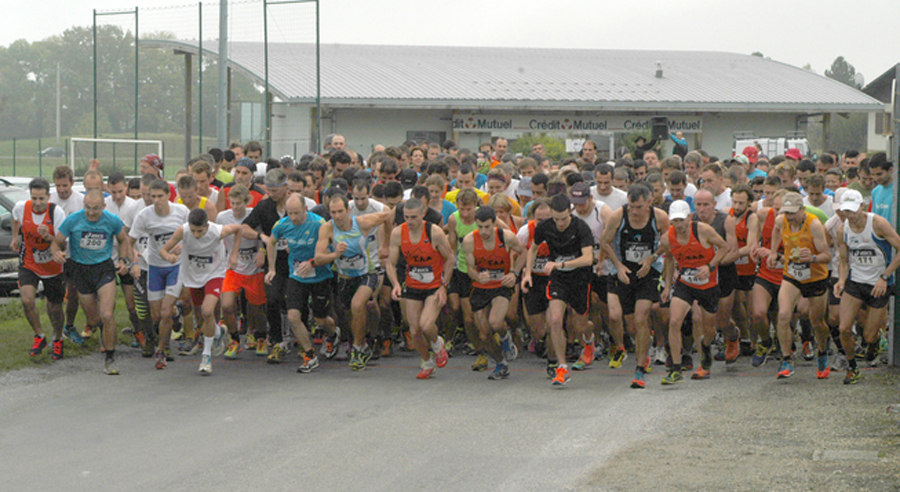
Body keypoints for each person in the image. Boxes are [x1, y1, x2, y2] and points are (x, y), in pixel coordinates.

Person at [51, 190, 132, 375]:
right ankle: (105, 332)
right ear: (83, 206)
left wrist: (123, 260)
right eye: (88, 208)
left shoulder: (111, 220)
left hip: (103, 269)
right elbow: (56, 242)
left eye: (96, 209)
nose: (91, 213)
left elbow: (123, 239)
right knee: (94, 320)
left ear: (103, 206)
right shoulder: (73, 220)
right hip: (81, 271)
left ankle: (110, 358)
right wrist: (56, 252)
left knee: (107, 314)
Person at [522, 194, 595, 387]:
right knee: (554, 319)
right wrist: (528, 273)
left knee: (580, 326)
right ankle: (562, 367)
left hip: (580, 278)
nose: (560, 223)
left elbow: (588, 259)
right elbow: (533, 248)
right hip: (558, 279)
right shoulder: (545, 227)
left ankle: (589, 340)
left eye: (563, 219)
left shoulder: (580, 227)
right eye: (556, 219)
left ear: (570, 212)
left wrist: (560, 263)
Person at [314, 194, 393, 371]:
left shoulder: (362, 222)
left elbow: (388, 215)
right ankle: (363, 342)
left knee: (358, 305)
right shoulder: (327, 229)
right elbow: (318, 258)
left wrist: (385, 244)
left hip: (367, 273)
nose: (337, 216)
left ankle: (358, 348)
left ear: (348, 210)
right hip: (345, 278)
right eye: (333, 212)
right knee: (350, 313)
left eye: (341, 211)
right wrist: (335, 255)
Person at [600, 184, 669, 385]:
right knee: (632, 325)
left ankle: (639, 368)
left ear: (649, 202)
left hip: (649, 272)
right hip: (625, 272)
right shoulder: (617, 216)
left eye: (639, 207)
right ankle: (643, 346)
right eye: (631, 206)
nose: (635, 211)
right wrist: (618, 266)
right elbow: (605, 242)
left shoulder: (660, 217)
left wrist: (652, 258)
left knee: (641, 317)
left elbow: (668, 243)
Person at [160, 209, 241, 374]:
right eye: (193, 230)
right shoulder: (184, 230)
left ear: (207, 226)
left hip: (214, 273)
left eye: (200, 231)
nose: (196, 234)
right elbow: (163, 250)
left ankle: (206, 356)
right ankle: (219, 331)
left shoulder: (218, 231)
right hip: (193, 274)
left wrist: (234, 254)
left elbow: (239, 229)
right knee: (201, 316)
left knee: (207, 311)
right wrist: (169, 257)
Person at [658, 200, 730, 384]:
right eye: (675, 221)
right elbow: (669, 259)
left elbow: (724, 247)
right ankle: (675, 368)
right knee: (674, 321)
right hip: (685, 284)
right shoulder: (667, 237)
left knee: (709, 330)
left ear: (689, 217)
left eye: (682, 220)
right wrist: (667, 286)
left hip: (708, 286)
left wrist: (710, 266)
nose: (679, 225)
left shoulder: (703, 230)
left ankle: (705, 351)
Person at [834, 190, 900, 384]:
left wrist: (885, 276)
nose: (850, 216)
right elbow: (844, 261)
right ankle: (852, 367)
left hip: (879, 284)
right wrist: (841, 280)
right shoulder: (842, 230)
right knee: (844, 328)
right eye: (846, 211)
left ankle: (875, 341)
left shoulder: (878, 223)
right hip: (856, 282)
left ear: (862, 207)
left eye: (853, 211)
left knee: (869, 336)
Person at [765, 192, 832, 380]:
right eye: (787, 212)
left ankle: (822, 352)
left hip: (815, 276)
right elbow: (776, 231)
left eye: (793, 213)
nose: (790, 217)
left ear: (802, 210)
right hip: (792, 274)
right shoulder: (781, 220)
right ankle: (787, 359)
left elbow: (827, 256)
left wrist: (812, 258)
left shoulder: (814, 225)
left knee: (817, 321)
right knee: (784, 315)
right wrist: (772, 252)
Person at [385, 198, 453, 379]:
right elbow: (390, 263)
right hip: (413, 284)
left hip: (434, 286)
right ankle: (427, 362)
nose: (410, 221)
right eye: (406, 217)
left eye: (414, 217)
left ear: (423, 214)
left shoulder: (434, 232)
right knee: (414, 330)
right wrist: (396, 284)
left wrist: (444, 287)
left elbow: (450, 259)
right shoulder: (398, 233)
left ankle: (438, 344)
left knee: (426, 324)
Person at [129, 179, 191, 370]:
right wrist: (133, 262)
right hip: (154, 266)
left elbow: (196, 234)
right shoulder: (144, 216)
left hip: (176, 267)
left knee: (165, 313)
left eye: (159, 196)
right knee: (157, 315)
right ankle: (176, 312)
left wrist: (185, 245)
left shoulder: (181, 212)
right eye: (151, 196)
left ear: (168, 196)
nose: (155, 200)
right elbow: (128, 242)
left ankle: (161, 350)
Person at [268, 194, 334, 373]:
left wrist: (313, 261)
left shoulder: (319, 223)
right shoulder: (282, 224)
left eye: (297, 213)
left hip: (320, 276)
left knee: (320, 319)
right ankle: (310, 354)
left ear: (306, 209)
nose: (294, 218)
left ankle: (334, 334)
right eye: (290, 213)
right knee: (293, 317)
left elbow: (330, 248)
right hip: (296, 276)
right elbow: (271, 242)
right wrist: (272, 268)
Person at [463, 206, 527, 380]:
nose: (484, 231)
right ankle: (501, 363)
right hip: (481, 287)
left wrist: (514, 274)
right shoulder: (470, 241)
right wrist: (477, 275)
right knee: (484, 334)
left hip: (501, 285)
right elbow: (469, 268)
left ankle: (506, 338)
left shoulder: (506, 237)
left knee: (495, 322)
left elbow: (523, 253)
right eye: (480, 227)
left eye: (487, 227)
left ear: (494, 224)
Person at [11, 178, 68, 359]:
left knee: (55, 307)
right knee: (27, 300)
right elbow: (14, 217)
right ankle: (39, 336)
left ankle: (58, 339)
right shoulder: (21, 207)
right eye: (34, 198)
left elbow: (63, 244)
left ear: (48, 197)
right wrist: (15, 237)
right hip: (29, 262)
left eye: (41, 199)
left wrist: (49, 237)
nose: (37, 203)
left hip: (53, 266)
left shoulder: (56, 212)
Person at [241, 169, 292, 360]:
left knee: (293, 302)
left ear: (286, 187)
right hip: (273, 262)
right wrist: (261, 237)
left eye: (276, 190)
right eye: (269, 190)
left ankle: (294, 338)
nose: (272, 194)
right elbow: (244, 227)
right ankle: (277, 341)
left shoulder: (297, 204)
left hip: (294, 260)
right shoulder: (264, 207)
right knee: (272, 299)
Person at [216, 185, 267, 360]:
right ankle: (234, 339)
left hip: (254, 267)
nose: (235, 207)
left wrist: (262, 252)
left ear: (247, 202)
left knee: (255, 308)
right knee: (227, 305)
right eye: (232, 203)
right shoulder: (222, 217)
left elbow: (264, 236)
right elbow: (217, 240)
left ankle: (260, 336)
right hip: (233, 268)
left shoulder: (254, 214)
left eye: (239, 203)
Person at [105, 172, 144, 347]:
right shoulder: (104, 206)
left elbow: (134, 237)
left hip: (129, 257)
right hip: (109, 258)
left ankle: (139, 331)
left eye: (121, 191)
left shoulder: (135, 206)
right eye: (113, 192)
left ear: (126, 187)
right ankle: (106, 337)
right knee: (108, 304)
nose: (118, 196)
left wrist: (129, 260)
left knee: (131, 304)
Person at [49, 166, 86, 343]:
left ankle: (69, 326)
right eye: (58, 186)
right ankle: (55, 333)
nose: (62, 189)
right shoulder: (49, 199)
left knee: (73, 293)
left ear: (72, 182)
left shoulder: (80, 200)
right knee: (54, 296)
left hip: (74, 254)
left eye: (65, 185)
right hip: (53, 254)